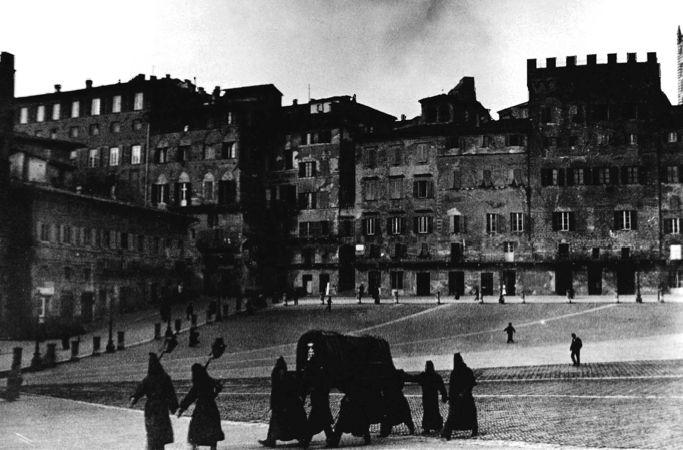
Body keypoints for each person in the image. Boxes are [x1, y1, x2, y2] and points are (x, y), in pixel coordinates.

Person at [130, 353, 179, 450]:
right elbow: (171, 394)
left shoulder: (148, 379)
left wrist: (133, 399)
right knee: (161, 436)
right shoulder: (165, 378)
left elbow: (138, 392)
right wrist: (175, 408)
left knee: (152, 434)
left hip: (150, 410)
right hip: (162, 409)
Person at [259, 357, 308, 447]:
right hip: (287, 404)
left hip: (281, 405)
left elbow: (276, 392)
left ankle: (271, 440)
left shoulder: (277, 376)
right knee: (293, 422)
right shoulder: (286, 377)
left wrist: (273, 404)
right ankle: (302, 439)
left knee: (276, 423)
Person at [177, 364, 225, 450]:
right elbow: (217, 390)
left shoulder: (198, 384)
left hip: (201, 409)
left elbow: (190, 397)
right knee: (212, 432)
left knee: (195, 431)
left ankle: (194, 448)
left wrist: (182, 408)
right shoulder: (210, 381)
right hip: (211, 408)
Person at [441, 353, 478, 440]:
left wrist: (451, 398)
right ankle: (474, 430)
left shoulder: (455, 372)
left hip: (458, 399)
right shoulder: (467, 370)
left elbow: (452, 387)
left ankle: (447, 432)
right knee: (470, 414)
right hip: (466, 398)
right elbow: (472, 382)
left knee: (453, 416)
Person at [406, 361, 448, 435]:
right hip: (433, 397)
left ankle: (427, 428)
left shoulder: (424, 376)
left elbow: (413, 378)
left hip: (426, 397)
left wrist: (403, 376)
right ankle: (437, 426)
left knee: (427, 412)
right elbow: (442, 388)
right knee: (435, 410)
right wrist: (444, 396)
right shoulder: (436, 376)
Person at [303, 364, 334, 446]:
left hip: (319, 401)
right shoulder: (322, 372)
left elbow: (319, 387)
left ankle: (306, 440)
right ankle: (331, 439)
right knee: (325, 422)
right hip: (322, 401)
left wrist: (313, 389)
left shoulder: (317, 374)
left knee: (313, 422)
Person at [379, 370, 415, 437]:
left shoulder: (383, 374)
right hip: (397, 397)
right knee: (405, 414)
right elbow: (411, 378)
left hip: (389, 398)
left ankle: (385, 432)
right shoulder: (398, 374)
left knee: (387, 415)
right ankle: (411, 429)